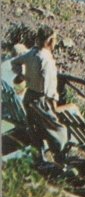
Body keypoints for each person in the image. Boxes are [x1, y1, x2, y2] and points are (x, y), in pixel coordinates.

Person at [11, 26, 69, 165]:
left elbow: (15, 62)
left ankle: (40, 158)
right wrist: (53, 105)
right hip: (41, 100)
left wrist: (22, 76)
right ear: (49, 41)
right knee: (59, 130)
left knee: (36, 129)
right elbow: (49, 86)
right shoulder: (46, 60)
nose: (55, 42)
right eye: (54, 40)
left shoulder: (32, 53)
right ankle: (61, 158)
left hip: (29, 96)